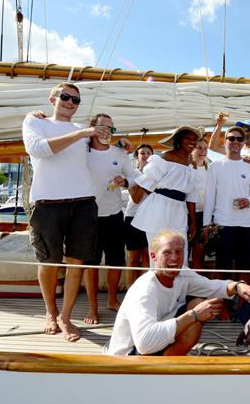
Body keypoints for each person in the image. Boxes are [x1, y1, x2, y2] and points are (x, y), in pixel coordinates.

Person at [22, 82, 106, 342]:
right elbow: (38, 149)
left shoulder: (83, 130)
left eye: (76, 100)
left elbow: (101, 151)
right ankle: (50, 311)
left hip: (83, 202)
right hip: (48, 203)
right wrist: (82, 134)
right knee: (48, 261)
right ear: (52, 98)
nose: (70, 102)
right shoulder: (35, 122)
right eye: (65, 97)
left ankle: (66, 317)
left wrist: (114, 142)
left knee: (76, 261)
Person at [106, 230, 250, 356]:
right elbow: (144, 344)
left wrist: (237, 286)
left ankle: (169, 363)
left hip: (154, 341)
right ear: (153, 257)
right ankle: (163, 371)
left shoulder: (183, 275)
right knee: (195, 314)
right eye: (167, 253)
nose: (174, 258)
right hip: (129, 356)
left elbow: (212, 287)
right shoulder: (145, 290)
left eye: (179, 252)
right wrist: (194, 315)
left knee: (197, 303)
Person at [82, 114, 140, 325]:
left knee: (116, 261)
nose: (107, 131)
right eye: (102, 127)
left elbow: (135, 177)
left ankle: (112, 300)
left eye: (111, 129)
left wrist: (125, 181)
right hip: (88, 216)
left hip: (114, 214)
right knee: (91, 265)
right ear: (92, 128)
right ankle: (92, 307)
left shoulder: (120, 153)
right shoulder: (81, 150)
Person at [130, 126, 202, 258]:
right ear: (179, 140)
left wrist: (193, 221)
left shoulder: (193, 164)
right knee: (159, 252)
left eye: (194, 139)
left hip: (179, 211)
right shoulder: (165, 157)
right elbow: (146, 181)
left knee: (181, 252)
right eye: (188, 138)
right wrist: (160, 194)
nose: (192, 141)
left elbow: (191, 195)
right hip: (158, 209)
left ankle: (180, 279)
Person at [203, 125, 250, 283]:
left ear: (243, 143)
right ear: (224, 141)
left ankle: (245, 304)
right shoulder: (215, 166)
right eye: (231, 138)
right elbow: (210, 197)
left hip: (246, 224)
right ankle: (221, 304)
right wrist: (206, 225)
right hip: (223, 224)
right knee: (223, 269)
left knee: (246, 268)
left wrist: (249, 200)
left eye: (239, 139)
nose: (235, 141)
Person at [124, 144, 153, 288]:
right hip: (133, 217)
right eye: (142, 153)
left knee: (148, 257)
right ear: (137, 156)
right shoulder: (132, 174)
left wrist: (147, 179)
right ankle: (130, 292)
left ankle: (144, 292)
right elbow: (135, 198)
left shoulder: (157, 175)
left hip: (150, 218)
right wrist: (145, 179)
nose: (146, 156)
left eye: (149, 153)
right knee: (133, 258)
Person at [189, 137, 210, 270]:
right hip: (188, 216)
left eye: (205, 148)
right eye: (199, 148)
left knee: (199, 256)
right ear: (192, 150)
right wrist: (192, 221)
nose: (203, 151)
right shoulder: (188, 168)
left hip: (205, 216)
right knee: (184, 254)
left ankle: (197, 289)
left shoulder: (210, 170)